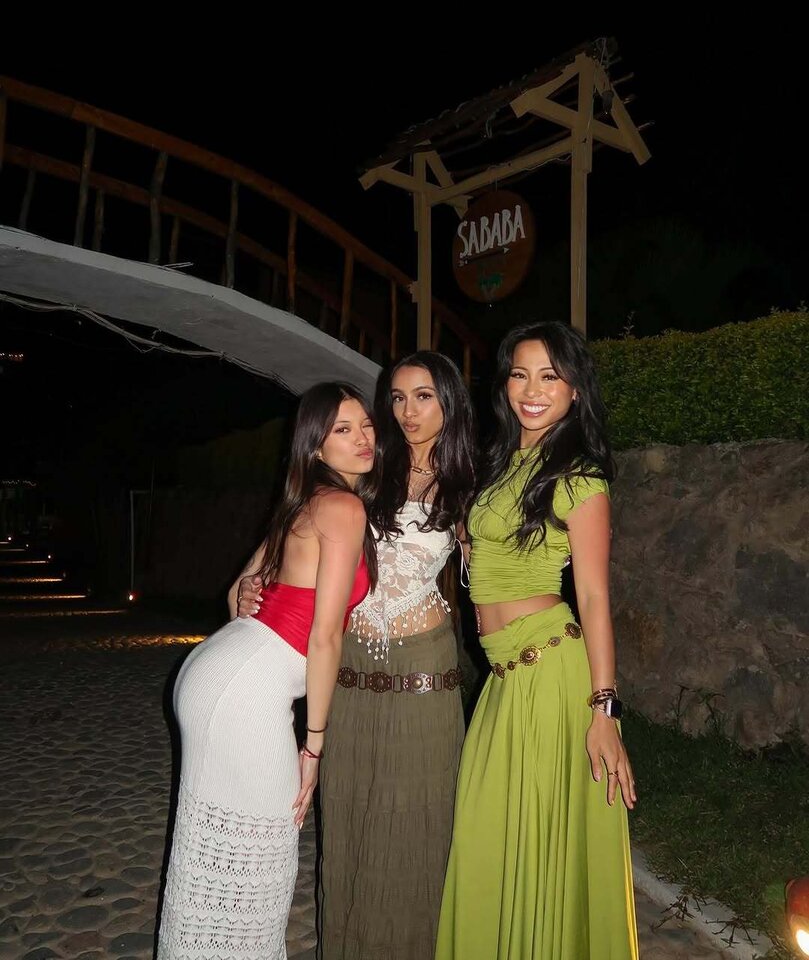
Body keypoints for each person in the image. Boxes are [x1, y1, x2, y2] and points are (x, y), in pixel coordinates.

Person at [238, 351, 476, 959]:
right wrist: (246, 586)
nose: (407, 412)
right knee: (347, 817)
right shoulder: (367, 466)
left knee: (416, 821)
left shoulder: (472, 480)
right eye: (396, 398)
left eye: (423, 396)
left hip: (424, 669)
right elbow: (278, 548)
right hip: (348, 670)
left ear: (449, 401)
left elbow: (499, 576)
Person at [435, 321, 639, 960]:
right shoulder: (501, 464)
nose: (532, 390)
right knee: (490, 833)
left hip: (551, 674)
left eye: (550, 376)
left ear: (575, 389)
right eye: (521, 374)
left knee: (537, 837)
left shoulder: (579, 479)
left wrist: (604, 710)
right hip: (503, 680)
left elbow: (595, 598)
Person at [157, 382, 378, 960]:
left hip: (219, 669)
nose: (363, 438)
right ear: (315, 444)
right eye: (343, 429)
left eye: (365, 425)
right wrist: (314, 746)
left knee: (213, 850)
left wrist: (254, 591)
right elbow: (324, 636)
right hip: (247, 688)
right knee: (263, 857)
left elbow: (237, 594)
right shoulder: (343, 508)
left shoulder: (301, 503)